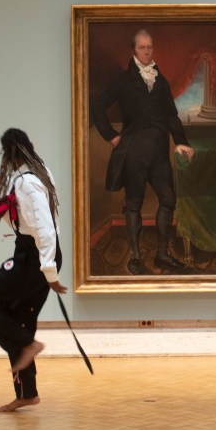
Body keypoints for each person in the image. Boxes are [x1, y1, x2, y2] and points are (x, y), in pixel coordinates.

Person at [0, 128, 66, 413]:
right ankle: (27, 393)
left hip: (33, 257)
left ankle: (26, 344)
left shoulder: (28, 182)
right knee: (19, 318)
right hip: (35, 253)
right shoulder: (36, 171)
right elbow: (14, 185)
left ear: (10, 153)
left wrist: (49, 273)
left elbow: (45, 228)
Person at [91, 29, 196, 274]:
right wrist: (111, 135)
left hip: (159, 152)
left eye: (150, 47)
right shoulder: (122, 80)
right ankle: (136, 256)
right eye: (142, 47)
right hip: (134, 152)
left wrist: (180, 141)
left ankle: (162, 254)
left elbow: (171, 114)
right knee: (134, 204)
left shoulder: (161, 81)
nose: (147, 52)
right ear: (133, 50)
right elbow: (97, 107)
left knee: (168, 199)